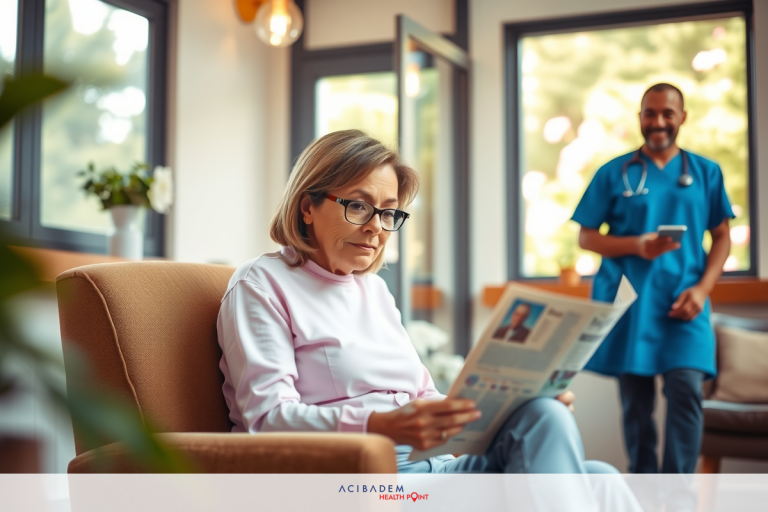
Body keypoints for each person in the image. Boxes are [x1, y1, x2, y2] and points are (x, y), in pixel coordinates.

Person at [217, 129, 622, 479]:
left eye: (388, 213)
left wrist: (505, 405)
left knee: (586, 461)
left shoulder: (373, 290)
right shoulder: (262, 284)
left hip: (437, 469)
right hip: (368, 482)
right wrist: (380, 424)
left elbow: (424, 395)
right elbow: (266, 419)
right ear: (308, 207)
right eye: (358, 206)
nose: (376, 227)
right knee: (569, 459)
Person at [572, 83, 733, 474]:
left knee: (687, 391)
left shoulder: (706, 173)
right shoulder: (614, 173)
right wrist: (636, 245)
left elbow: (722, 237)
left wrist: (703, 289)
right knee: (637, 406)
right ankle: (642, 491)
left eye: (667, 113)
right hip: (632, 303)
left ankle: (677, 495)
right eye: (650, 113)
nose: (658, 121)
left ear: (682, 118)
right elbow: (586, 237)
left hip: (686, 301)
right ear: (640, 117)